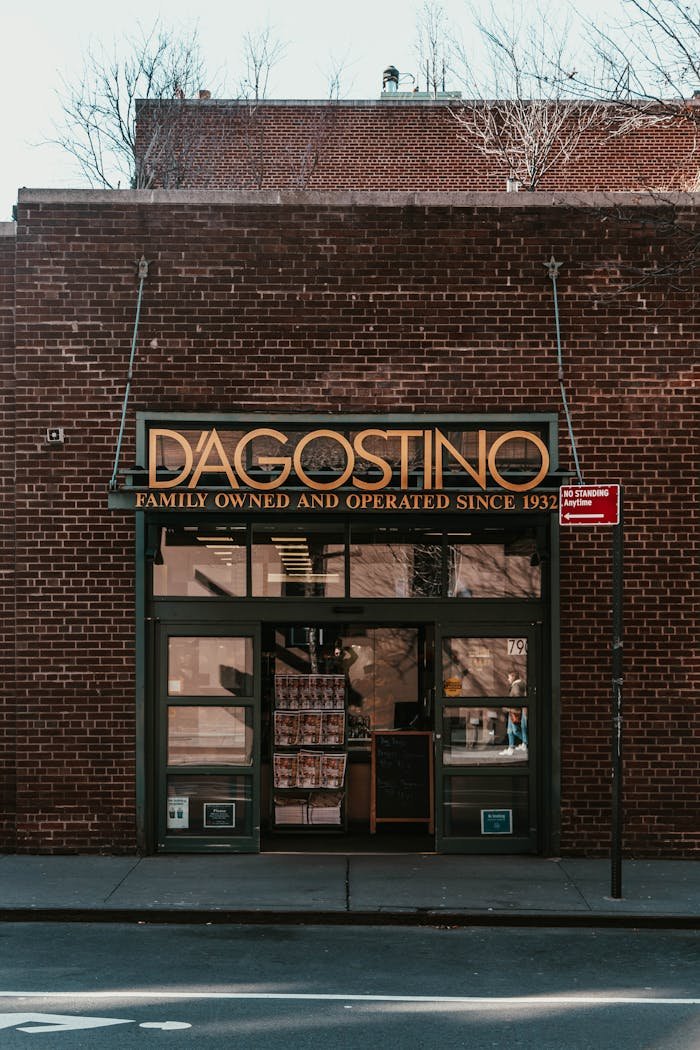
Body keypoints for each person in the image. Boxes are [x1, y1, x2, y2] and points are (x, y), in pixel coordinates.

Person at [500, 670, 528, 756]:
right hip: (514, 711)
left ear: (513, 677)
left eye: (509, 677)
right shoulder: (521, 684)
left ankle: (526, 742)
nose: (508, 679)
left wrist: (507, 708)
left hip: (513, 711)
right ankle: (511, 747)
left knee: (514, 730)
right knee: (510, 730)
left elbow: (516, 700)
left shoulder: (516, 686)